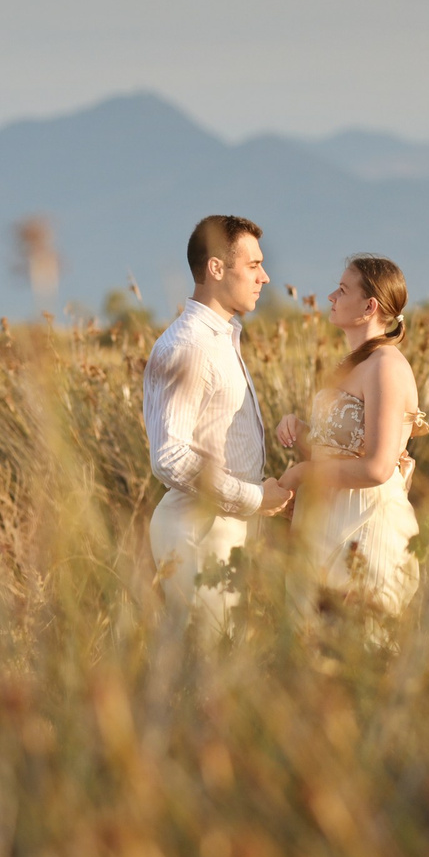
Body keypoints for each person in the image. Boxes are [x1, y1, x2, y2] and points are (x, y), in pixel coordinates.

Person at [143, 215, 293, 630]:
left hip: (227, 524)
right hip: (199, 529)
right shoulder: (188, 347)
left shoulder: (221, 338)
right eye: (253, 266)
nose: (264, 277)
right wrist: (251, 497)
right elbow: (169, 456)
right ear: (215, 269)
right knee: (210, 671)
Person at [274, 255, 423, 617]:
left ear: (369, 306)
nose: (330, 297)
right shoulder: (356, 363)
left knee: (354, 641)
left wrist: (302, 473)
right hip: (324, 517)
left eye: (342, 289)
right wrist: (302, 430)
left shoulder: (386, 365)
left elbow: (376, 468)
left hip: (361, 521)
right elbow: (344, 447)